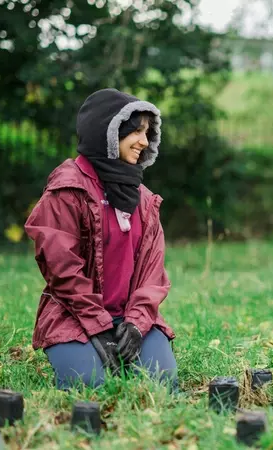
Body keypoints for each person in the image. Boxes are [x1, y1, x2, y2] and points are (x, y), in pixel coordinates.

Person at [25, 88, 177, 391]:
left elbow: (152, 273)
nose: (144, 142)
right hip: (75, 316)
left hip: (130, 318)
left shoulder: (144, 201)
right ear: (108, 132)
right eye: (136, 131)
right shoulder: (69, 190)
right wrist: (97, 325)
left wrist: (136, 323)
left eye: (148, 133)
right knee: (89, 384)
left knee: (161, 381)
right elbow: (61, 269)